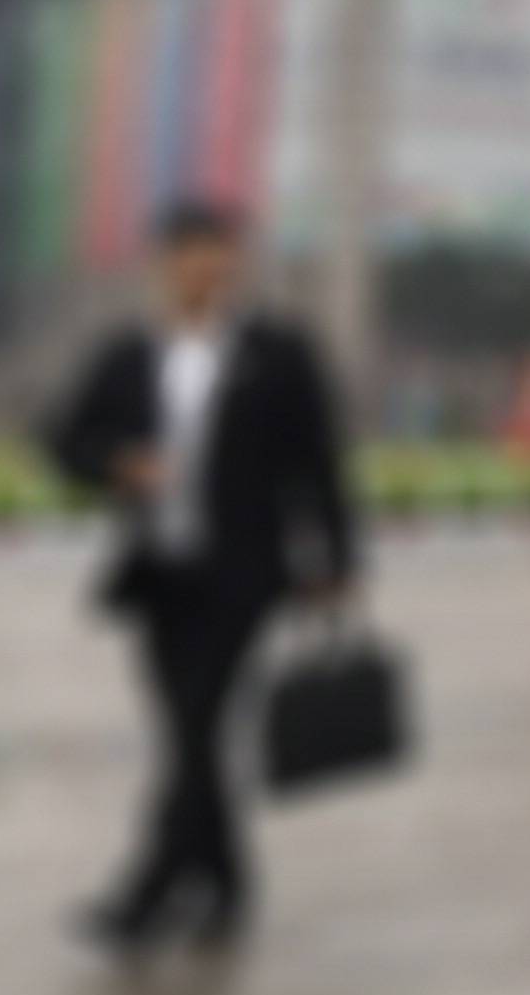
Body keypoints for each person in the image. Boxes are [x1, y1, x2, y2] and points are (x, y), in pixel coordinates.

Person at [38, 198, 362, 954]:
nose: (203, 268)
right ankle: (224, 884)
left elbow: (318, 463)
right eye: (187, 254)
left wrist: (336, 561)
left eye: (217, 254)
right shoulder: (132, 353)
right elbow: (62, 438)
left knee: (196, 728)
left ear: (235, 264)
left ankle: (146, 896)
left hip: (243, 575)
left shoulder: (277, 353)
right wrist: (117, 463)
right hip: (159, 577)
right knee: (190, 737)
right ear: (163, 265)